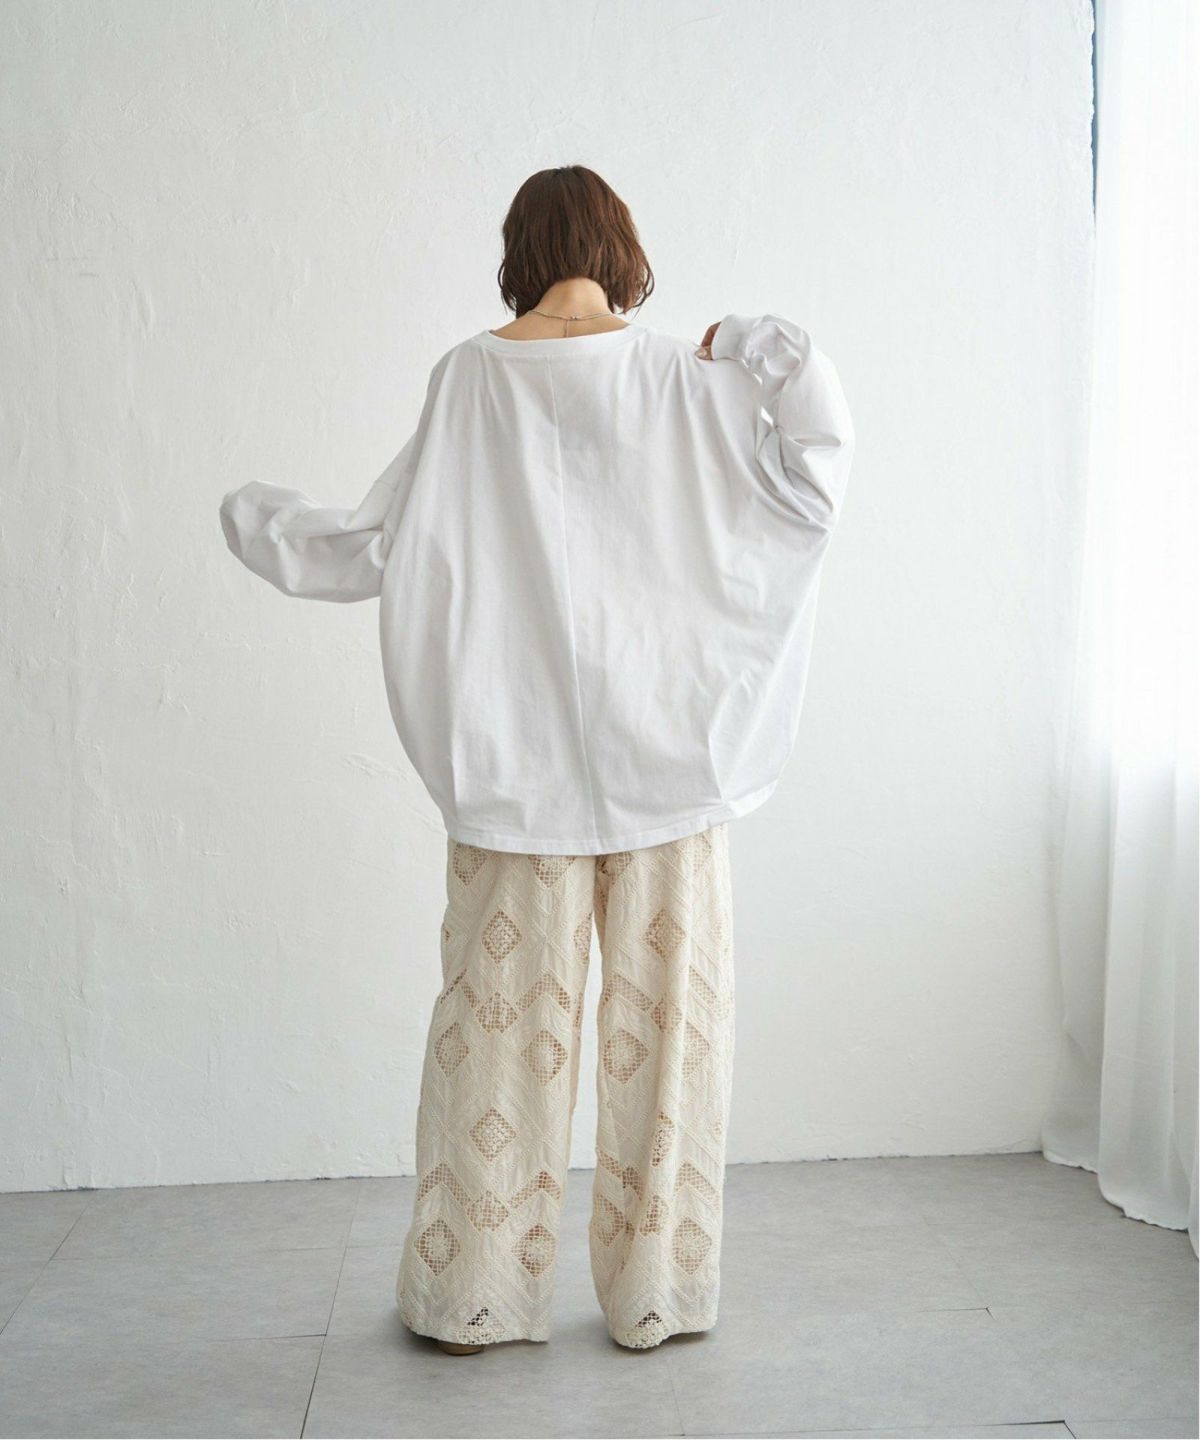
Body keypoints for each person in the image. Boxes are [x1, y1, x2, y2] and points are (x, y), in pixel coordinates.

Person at [219, 164, 856, 1355]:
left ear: (518, 251)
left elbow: (380, 542)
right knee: (672, 1045)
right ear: (620, 248)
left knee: (495, 1037)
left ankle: (473, 1297)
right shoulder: (686, 377)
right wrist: (752, 340)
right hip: (673, 769)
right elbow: (814, 476)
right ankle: (658, 1292)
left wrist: (255, 520)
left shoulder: (470, 376)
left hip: (513, 774)